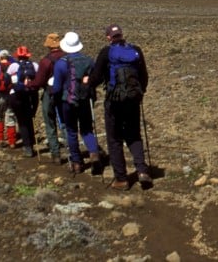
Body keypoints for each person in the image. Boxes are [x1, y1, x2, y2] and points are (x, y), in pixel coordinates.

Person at [89, 23, 151, 189]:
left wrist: (88, 83)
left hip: (114, 102)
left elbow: (96, 77)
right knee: (134, 135)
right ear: (122, 35)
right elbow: (144, 75)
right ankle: (142, 171)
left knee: (114, 139)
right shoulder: (135, 50)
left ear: (108, 37)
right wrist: (140, 92)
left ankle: (121, 179)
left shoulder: (106, 52)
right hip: (133, 99)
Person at [51, 31, 103, 174]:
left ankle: (76, 162)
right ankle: (94, 153)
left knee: (71, 131)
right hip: (85, 100)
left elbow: (57, 87)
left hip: (68, 101)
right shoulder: (88, 61)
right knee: (87, 129)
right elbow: (97, 78)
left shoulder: (61, 64)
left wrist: (55, 97)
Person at [28, 32, 66, 164]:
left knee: (50, 123)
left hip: (49, 94)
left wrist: (29, 85)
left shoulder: (45, 61)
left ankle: (56, 154)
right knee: (65, 123)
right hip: (64, 93)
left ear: (49, 46)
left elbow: (38, 82)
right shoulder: (66, 58)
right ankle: (73, 152)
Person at [8, 45, 40, 157]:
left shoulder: (13, 66)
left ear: (18, 56)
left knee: (22, 122)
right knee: (30, 119)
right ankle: (32, 143)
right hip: (31, 95)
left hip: (17, 96)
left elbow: (7, 80)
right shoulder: (34, 65)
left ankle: (27, 147)